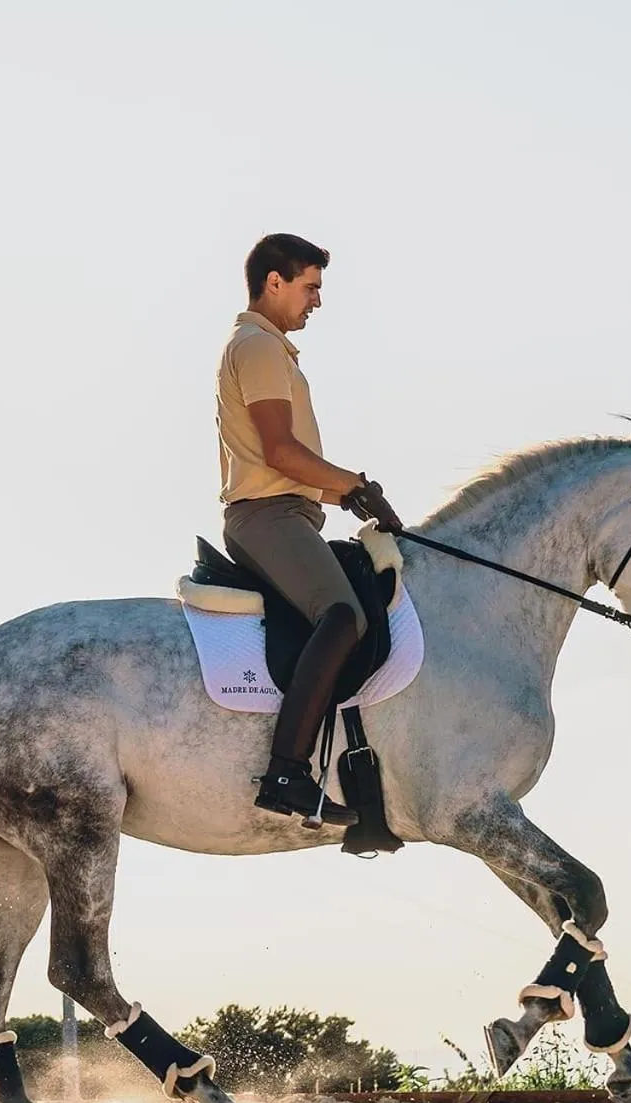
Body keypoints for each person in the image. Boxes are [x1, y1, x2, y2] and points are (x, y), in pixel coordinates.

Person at [216, 233, 402, 826]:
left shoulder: (271, 351)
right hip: (267, 518)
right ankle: (286, 773)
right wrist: (352, 483)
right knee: (343, 616)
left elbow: (295, 470)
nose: (316, 302)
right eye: (310, 287)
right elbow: (280, 452)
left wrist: (351, 497)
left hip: (288, 511)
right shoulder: (259, 348)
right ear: (275, 282)